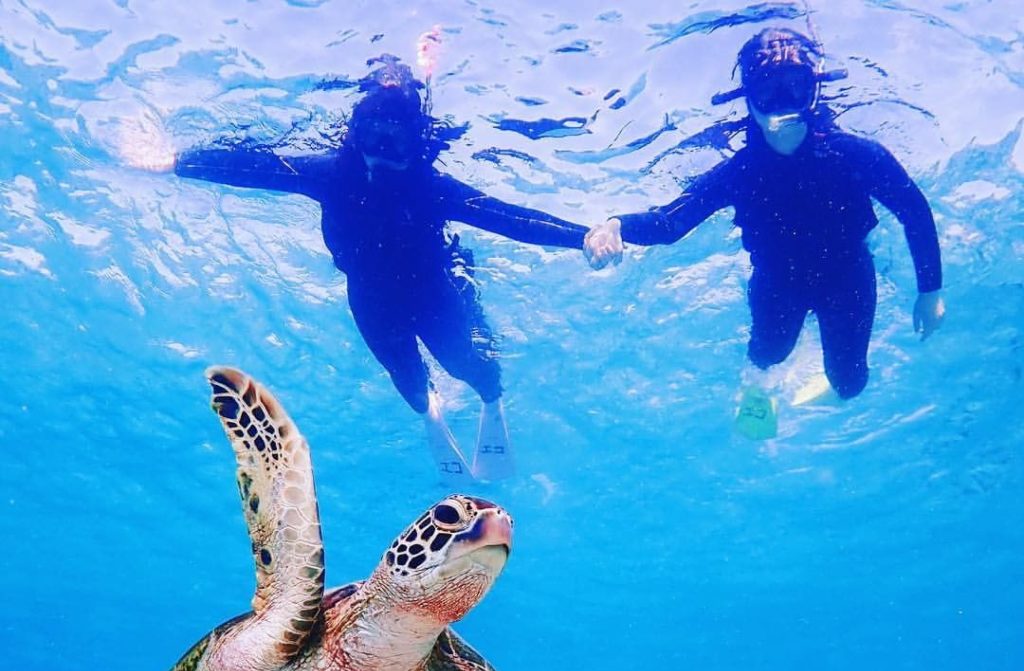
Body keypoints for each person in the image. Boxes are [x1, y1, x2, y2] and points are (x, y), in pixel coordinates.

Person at [130, 57, 587, 480]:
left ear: (416, 144)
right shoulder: (332, 175)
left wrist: (583, 235)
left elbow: (508, 216)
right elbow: (257, 167)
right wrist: (176, 162)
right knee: (406, 379)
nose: (381, 153)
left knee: (465, 362)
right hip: (369, 298)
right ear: (355, 136)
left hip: (432, 293)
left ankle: (491, 399)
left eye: (396, 141)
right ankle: (431, 412)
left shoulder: (433, 188)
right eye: (372, 138)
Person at [584, 28, 945, 421]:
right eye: (768, 91)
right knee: (768, 353)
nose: (782, 103)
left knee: (850, 384)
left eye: (796, 87)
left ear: (815, 90)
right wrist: (616, 225)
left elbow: (914, 211)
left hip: (848, 278)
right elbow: (670, 224)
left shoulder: (856, 155)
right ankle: (757, 386)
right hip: (777, 285)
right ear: (748, 100)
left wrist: (930, 292)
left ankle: (807, 392)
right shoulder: (740, 173)